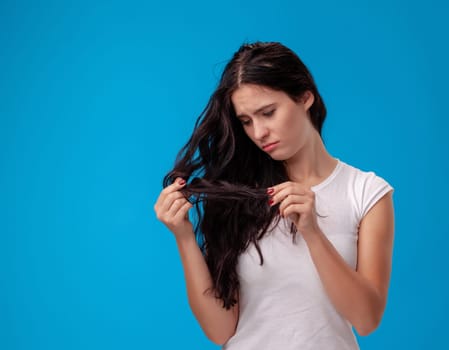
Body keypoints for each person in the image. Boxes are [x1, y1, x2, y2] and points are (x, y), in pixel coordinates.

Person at [153, 41, 395, 349]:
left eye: (268, 113)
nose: (258, 132)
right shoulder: (238, 195)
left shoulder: (366, 193)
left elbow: (366, 319)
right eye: (246, 121)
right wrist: (184, 236)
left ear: (305, 97)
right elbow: (220, 330)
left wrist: (312, 232)